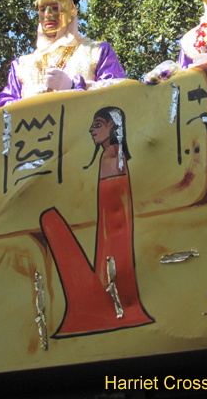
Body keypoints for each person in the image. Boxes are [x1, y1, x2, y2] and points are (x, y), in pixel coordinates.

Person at [40, 107, 154, 336]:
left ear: (112, 125)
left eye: (98, 124)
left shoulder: (113, 157)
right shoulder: (108, 156)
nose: (91, 130)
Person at [0, 0, 125, 106]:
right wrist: (23, 102)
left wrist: (73, 85)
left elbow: (117, 92)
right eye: (43, 9)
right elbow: (2, 109)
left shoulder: (97, 51)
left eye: (55, 8)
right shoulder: (22, 65)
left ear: (70, 13)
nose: (48, 15)